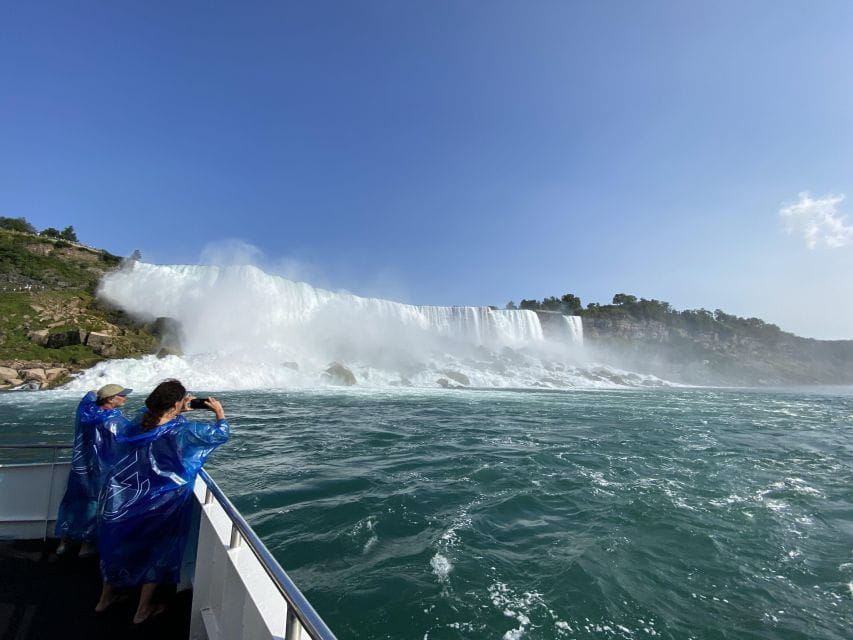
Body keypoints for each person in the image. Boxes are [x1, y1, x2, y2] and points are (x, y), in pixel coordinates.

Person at [95, 379, 229, 623]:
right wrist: (218, 412)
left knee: (119, 547)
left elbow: (149, 419)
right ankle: (142, 610)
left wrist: (176, 410)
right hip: (163, 502)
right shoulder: (181, 430)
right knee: (157, 551)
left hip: (128, 498)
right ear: (177, 403)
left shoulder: (137, 423)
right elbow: (220, 434)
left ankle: (105, 599)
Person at [55, 383, 132, 557]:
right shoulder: (113, 420)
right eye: (122, 395)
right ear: (111, 399)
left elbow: (89, 395)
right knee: (95, 504)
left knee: (74, 500)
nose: (125, 398)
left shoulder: (86, 409)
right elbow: (127, 441)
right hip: (101, 470)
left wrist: (95, 392)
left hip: (80, 467)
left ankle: (63, 542)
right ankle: (85, 546)